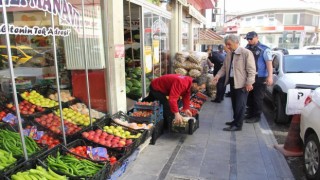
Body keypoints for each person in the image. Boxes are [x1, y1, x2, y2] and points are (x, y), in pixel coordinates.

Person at [212, 34, 256, 131]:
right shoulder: (229, 54)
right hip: (232, 81)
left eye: (229, 44)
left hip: (242, 83)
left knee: (240, 105)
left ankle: (238, 125)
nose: (227, 47)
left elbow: (251, 70)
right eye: (226, 44)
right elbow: (224, 67)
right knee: (234, 103)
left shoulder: (246, 53)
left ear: (236, 42)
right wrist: (218, 76)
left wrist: (249, 82)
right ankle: (235, 120)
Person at [143, 74, 207, 129]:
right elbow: (172, 99)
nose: (200, 90)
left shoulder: (189, 82)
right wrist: (176, 114)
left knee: (149, 100)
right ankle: (167, 126)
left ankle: (137, 108)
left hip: (160, 86)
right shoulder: (182, 83)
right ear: (195, 84)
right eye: (200, 88)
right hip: (156, 87)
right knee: (167, 106)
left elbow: (186, 95)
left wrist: (186, 108)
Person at [244, 31, 273, 123]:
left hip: (260, 77)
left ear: (257, 37)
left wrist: (270, 76)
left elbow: (269, 63)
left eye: (251, 39)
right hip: (249, 76)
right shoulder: (247, 47)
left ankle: (256, 116)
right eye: (247, 39)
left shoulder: (264, 49)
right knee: (250, 97)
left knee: (258, 98)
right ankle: (250, 113)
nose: (249, 41)